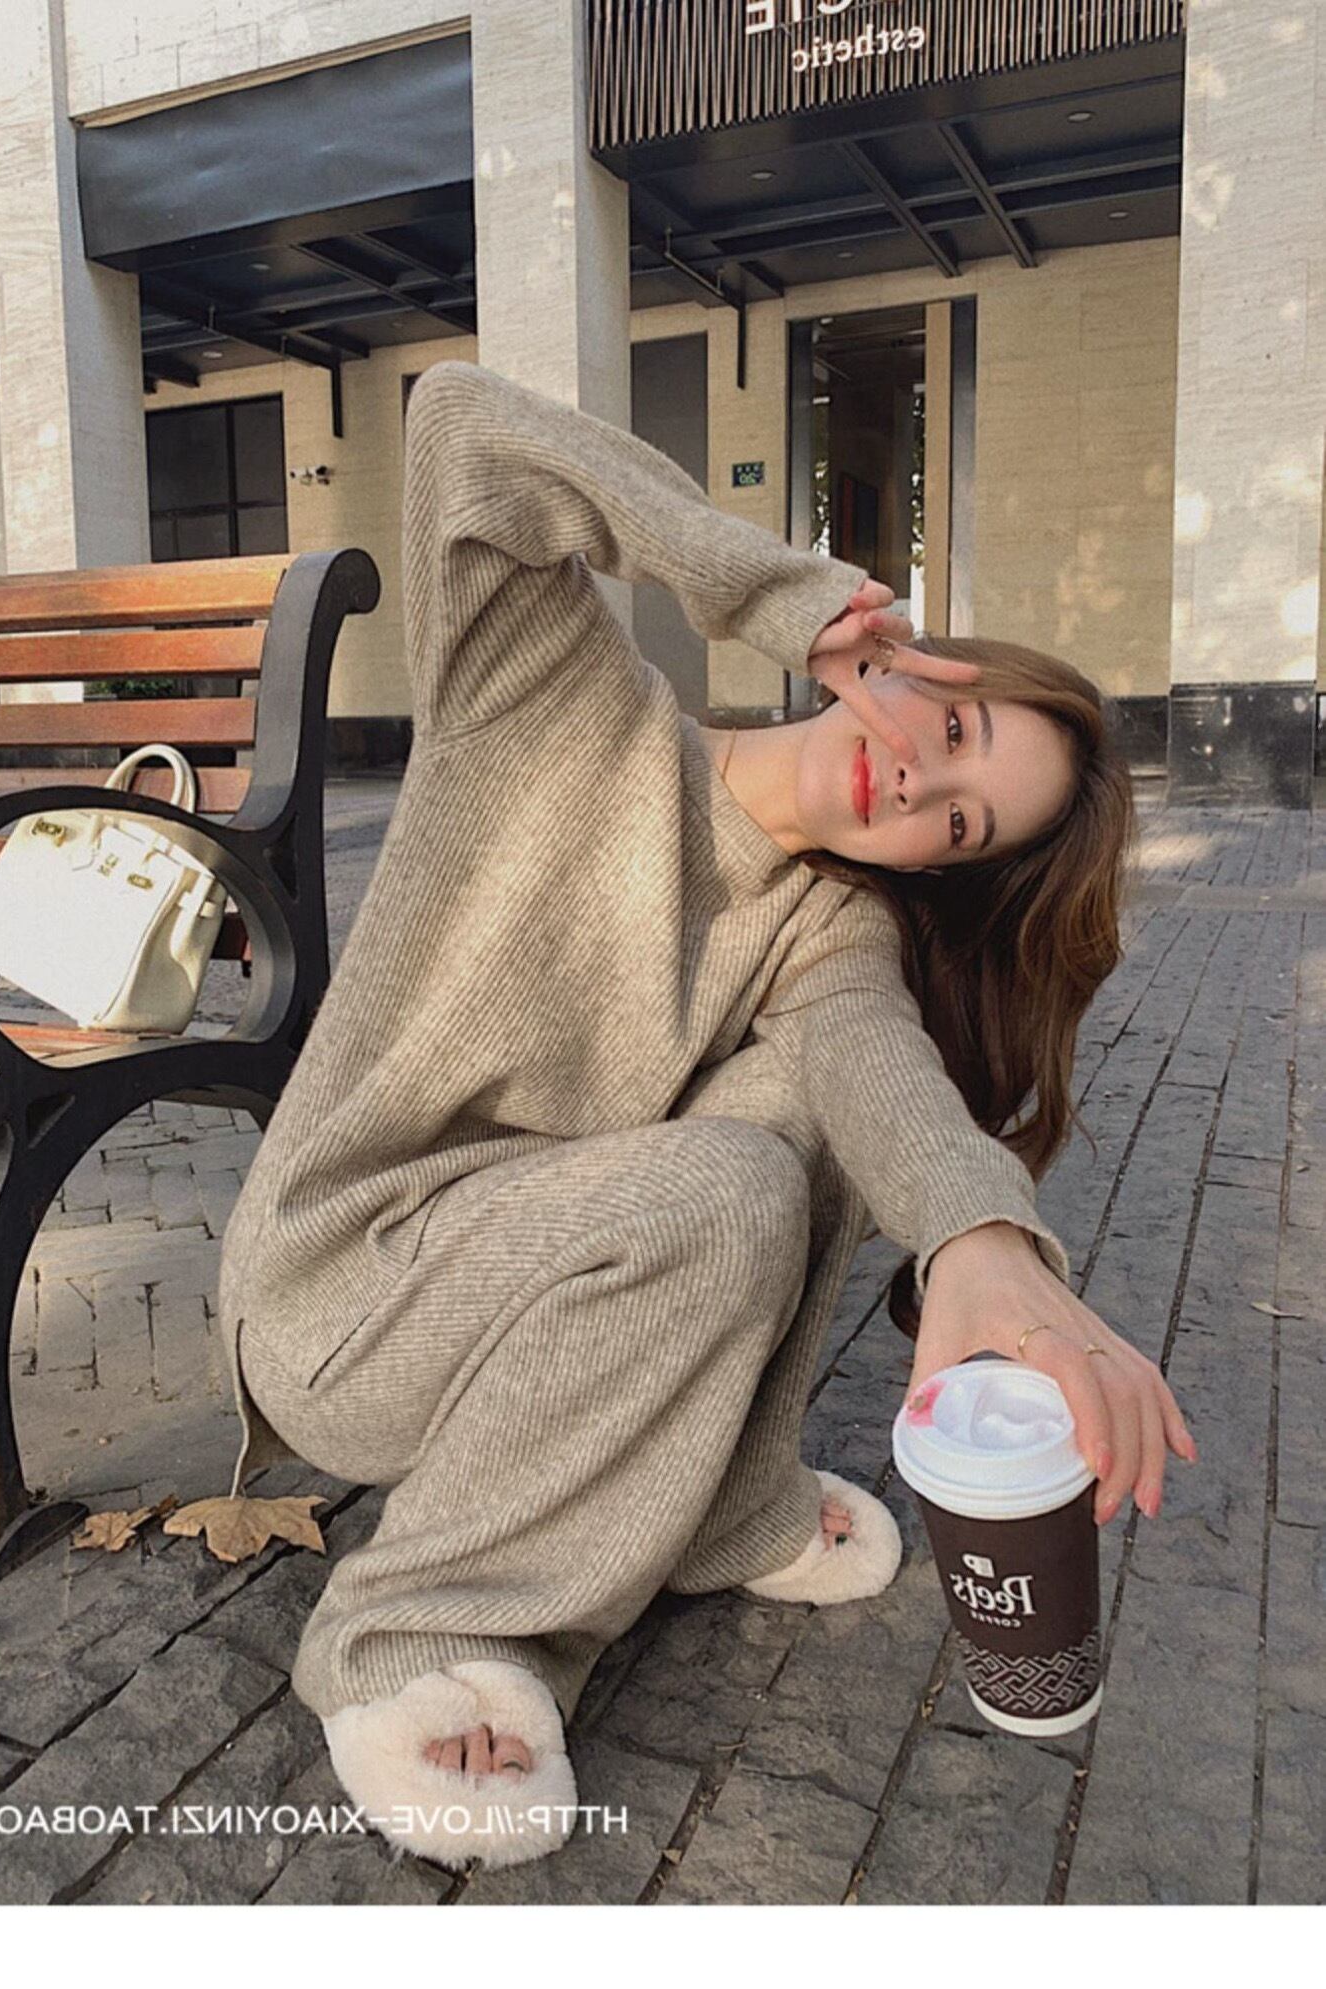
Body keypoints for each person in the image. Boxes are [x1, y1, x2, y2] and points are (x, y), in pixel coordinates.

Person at [216, 359, 1197, 1871]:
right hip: (344, 1294)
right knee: (722, 1188)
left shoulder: (827, 928)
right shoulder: (556, 696)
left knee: (813, 1104)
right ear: (912, 662)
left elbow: (880, 1074)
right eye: (954, 729)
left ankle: (722, 1502)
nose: (914, 784)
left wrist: (986, 1244)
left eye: (959, 823)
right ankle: (419, 1626)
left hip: (547, 1298)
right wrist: (777, 592)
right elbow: (459, 425)